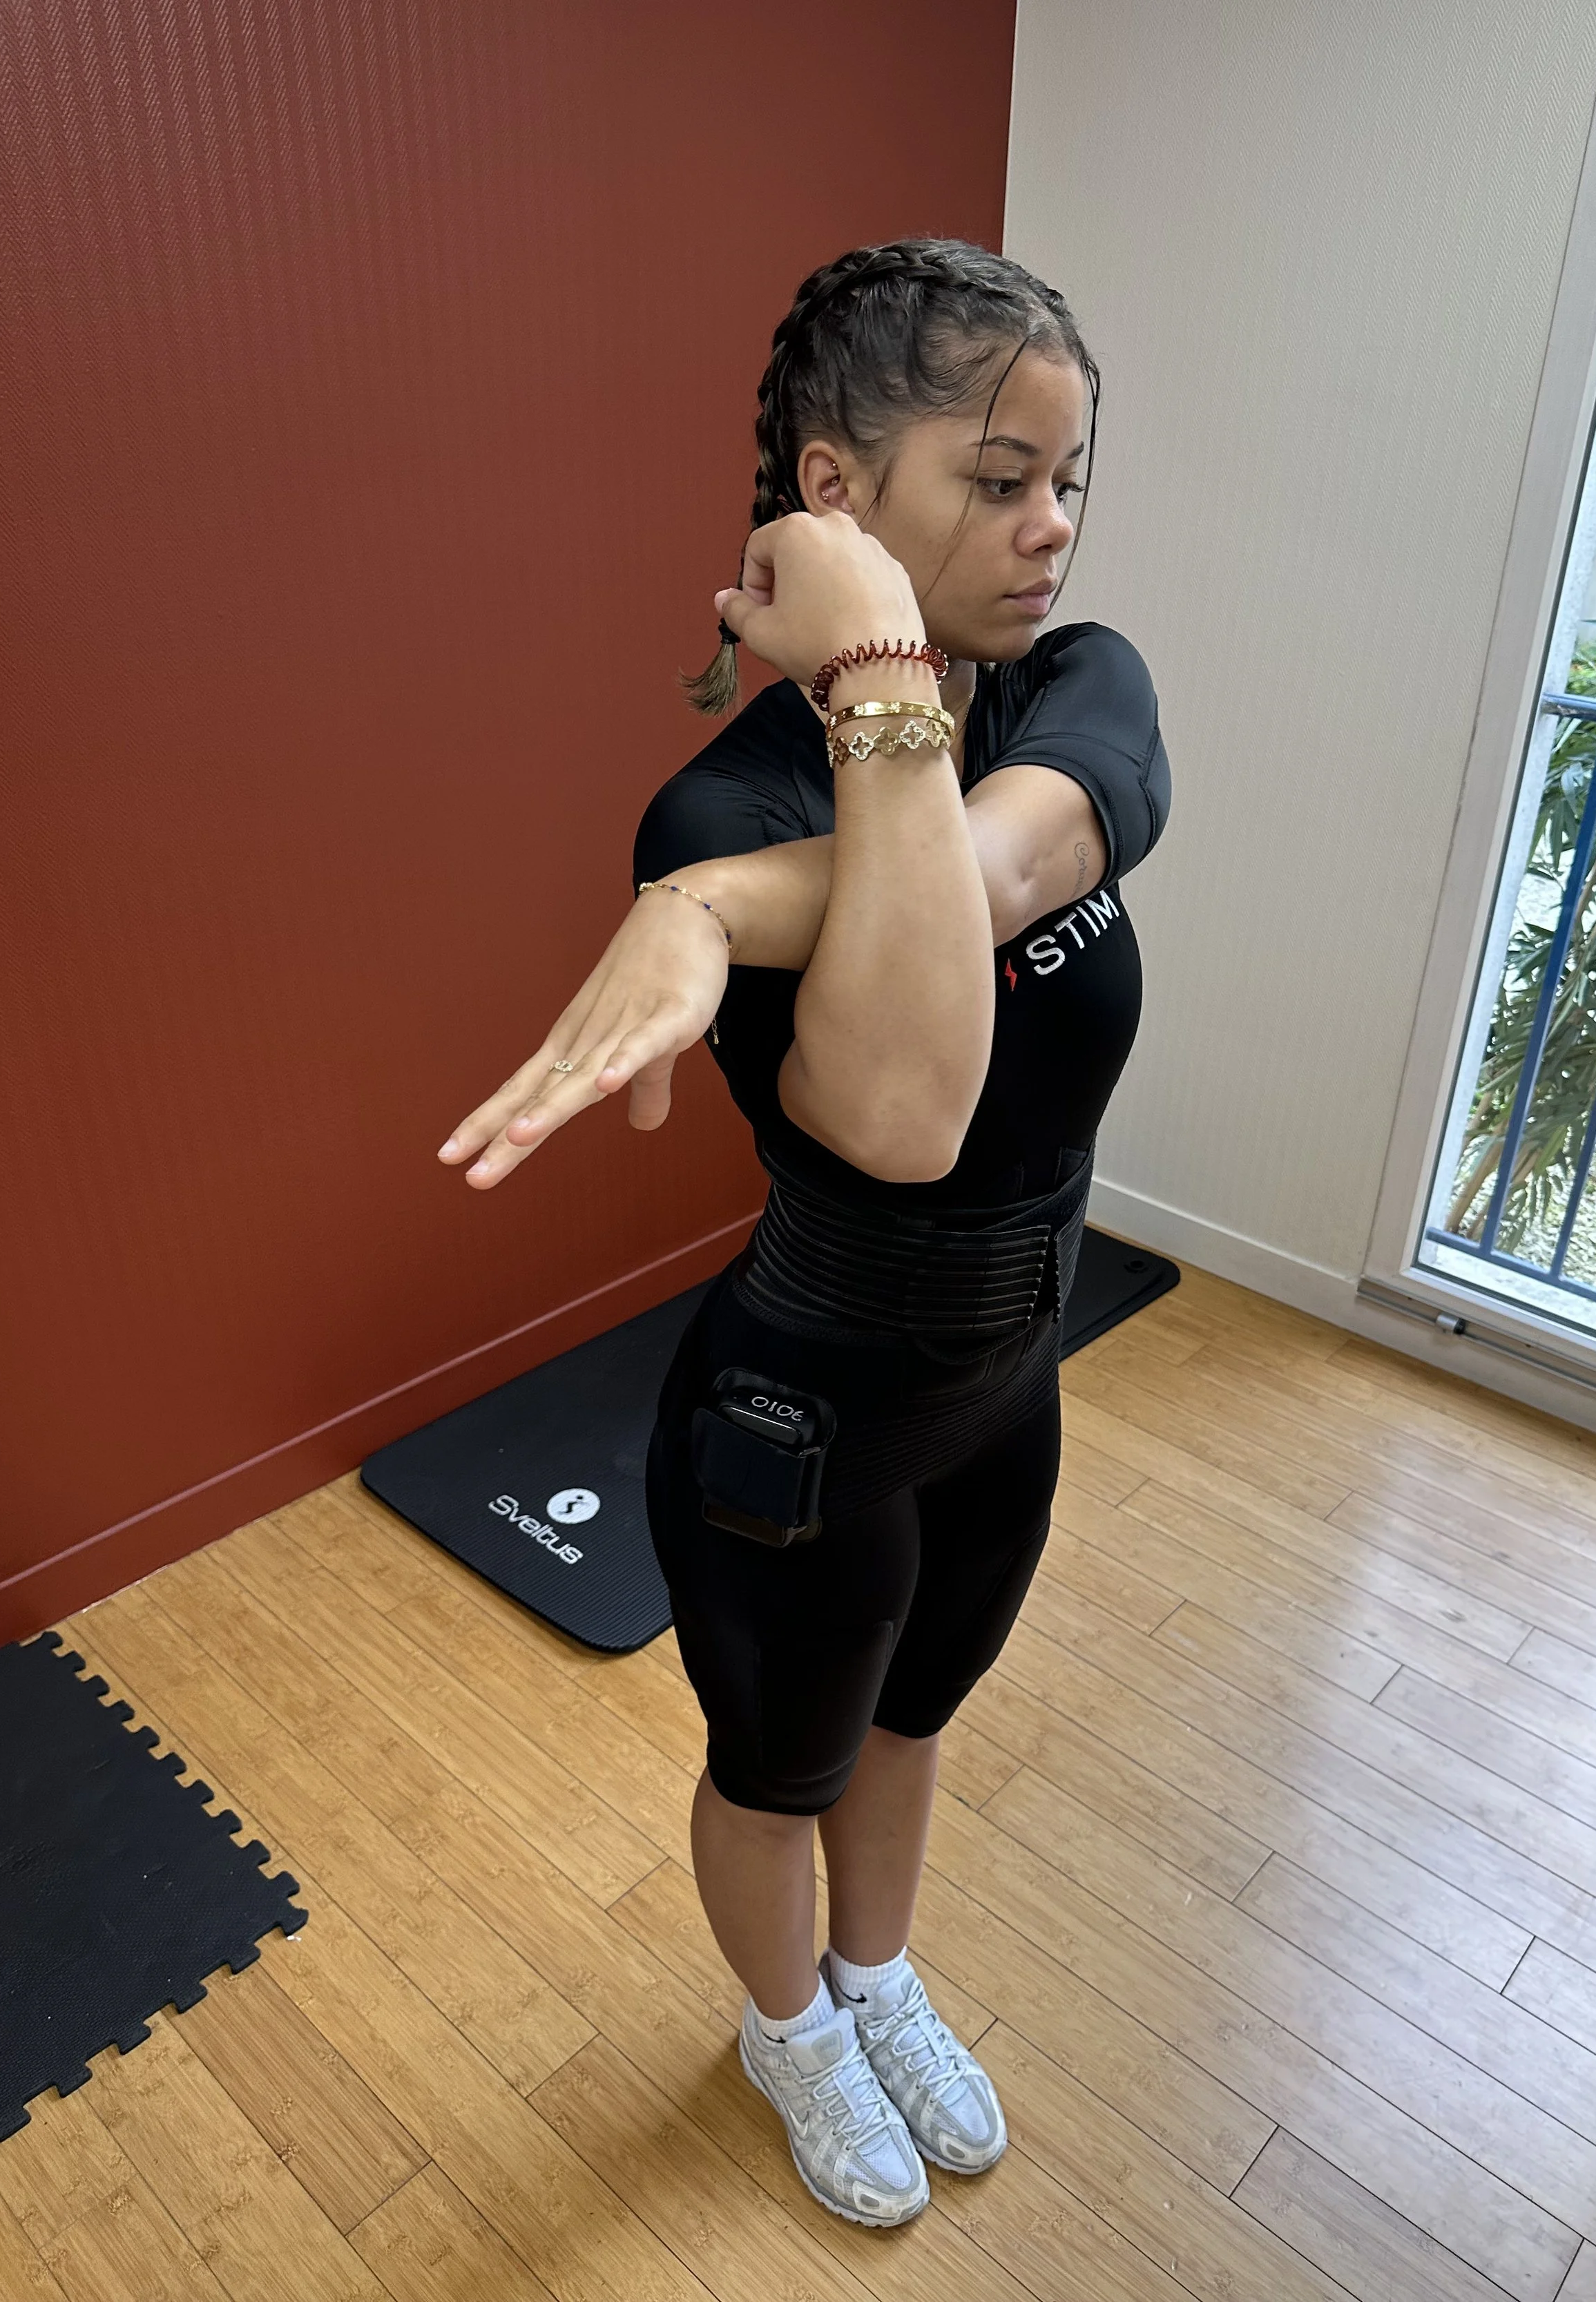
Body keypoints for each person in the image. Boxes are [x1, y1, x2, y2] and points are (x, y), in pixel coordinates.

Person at [438, 238, 1169, 2229]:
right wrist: (848, 706)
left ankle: (874, 1977)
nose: (1052, 524)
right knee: (782, 1762)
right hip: (804, 1413)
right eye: (998, 478)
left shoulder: (1080, 687)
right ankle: (786, 2029)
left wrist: (725, 917)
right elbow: (910, 1115)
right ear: (836, 494)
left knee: (912, 1717)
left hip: (1007, 1380)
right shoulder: (713, 808)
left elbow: (991, 871)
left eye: (1068, 478)